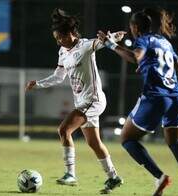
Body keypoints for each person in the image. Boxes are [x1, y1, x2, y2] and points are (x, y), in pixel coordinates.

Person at [97, 7, 178, 196]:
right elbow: (177, 64)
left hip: (156, 97)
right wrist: (150, 65)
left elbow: (135, 57)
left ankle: (160, 177)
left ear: (135, 27)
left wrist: (111, 45)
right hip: (177, 96)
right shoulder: (165, 42)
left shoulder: (143, 40)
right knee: (175, 142)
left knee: (127, 139)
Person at [25, 8, 125, 194]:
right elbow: (58, 77)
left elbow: (101, 43)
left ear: (71, 33)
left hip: (93, 100)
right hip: (82, 102)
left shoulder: (85, 46)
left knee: (63, 130)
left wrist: (114, 37)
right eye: (56, 39)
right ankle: (113, 177)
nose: (59, 41)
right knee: (94, 143)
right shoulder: (63, 52)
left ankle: (70, 174)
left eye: (61, 37)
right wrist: (37, 84)